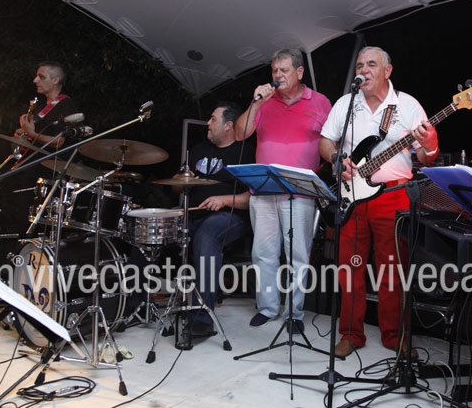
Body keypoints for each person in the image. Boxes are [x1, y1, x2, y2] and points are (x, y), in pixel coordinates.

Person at [318, 46, 439, 358]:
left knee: (392, 270)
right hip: (352, 197)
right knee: (349, 268)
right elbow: (325, 141)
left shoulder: (407, 105)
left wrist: (431, 144)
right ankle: (350, 334)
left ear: (388, 71)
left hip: (393, 196)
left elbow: (425, 156)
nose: (364, 70)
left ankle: (395, 336)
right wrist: (336, 158)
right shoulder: (347, 103)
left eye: (371, 64)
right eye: (360, 64)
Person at [125, 102, 254, 338]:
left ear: (228, 125)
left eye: (213, 119)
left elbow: (254, 198)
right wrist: (181, 179)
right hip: (191, 212)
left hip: (229, 216)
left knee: (207, 235)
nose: (208, 123)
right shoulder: (199, 149)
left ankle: (201, 317)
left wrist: (225, 200)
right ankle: (136, 305)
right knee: (148, 227)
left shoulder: (245, 152)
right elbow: (176, 188)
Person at [234, 48, 332, 333]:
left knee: (298, 255)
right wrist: (255, 103)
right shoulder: (265, 102)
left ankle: (294, 313)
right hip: (263, 190)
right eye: (274, 70)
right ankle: (267, 307)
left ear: (299, 72)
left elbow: (332, 140)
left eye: (284, 70)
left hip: (299, 192)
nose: (277, 76)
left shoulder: (320, 102)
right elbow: (240, 133)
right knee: (263, 252)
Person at [14, 61, 80, 151]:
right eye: (36, 76)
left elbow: (59, 141)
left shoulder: (66, 104)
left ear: (55, 80)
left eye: (41, 77)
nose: (35, 80)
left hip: (52, 159)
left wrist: (32, 134)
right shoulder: (41, 105)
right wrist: (24, 134)